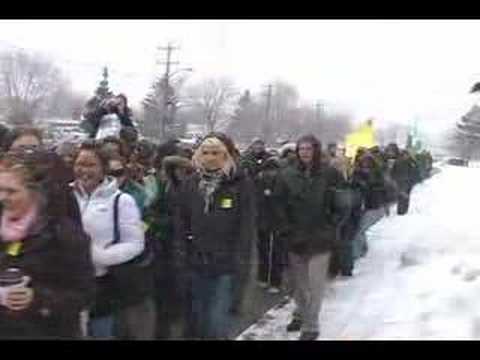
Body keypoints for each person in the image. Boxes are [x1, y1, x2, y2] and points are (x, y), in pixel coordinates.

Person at [0, 149, 95, 339]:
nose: (2, 197)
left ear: (35, 193)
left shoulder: (64, 234)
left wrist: (37, 298)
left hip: (48, 331)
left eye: (11, 191)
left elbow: (84, 295)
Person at [176, 133, 257, 339]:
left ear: (226, 155)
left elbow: (245, 229)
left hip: (226, 266)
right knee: (198, 322)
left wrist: (241, 263)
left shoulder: (240, 184)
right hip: (196, 263)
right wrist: (182, 255)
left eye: (216, 153)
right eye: (205, 152)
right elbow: (181, 223)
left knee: (217, 323)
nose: (210, 157)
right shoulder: (190, 184)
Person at [72, 141, 145, 339]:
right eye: (79, 164)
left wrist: (101, 256)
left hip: (101, 284)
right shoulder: (64, 195)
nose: (83, 170)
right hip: (67, 282)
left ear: (103, 168)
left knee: (100, 332)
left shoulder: (121, 201)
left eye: (90, 165)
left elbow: (135, 243)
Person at [274, 134, 344, 341]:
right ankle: (301, 313)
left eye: (308, 148)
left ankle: (311, 326)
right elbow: (278, 203)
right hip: (295, 237)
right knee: (299, 285)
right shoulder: (286, 174)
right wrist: (284, 227)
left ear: (316, 150)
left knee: (315, 285)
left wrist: (332, 224)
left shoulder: (330, 174)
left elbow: (342, 202)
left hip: (321, 238)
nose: (305, 152)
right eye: (301, 149)